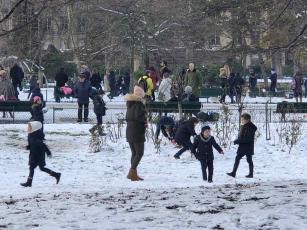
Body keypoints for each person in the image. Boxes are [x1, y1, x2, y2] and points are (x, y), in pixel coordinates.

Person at [20, 121, 61, 187]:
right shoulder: (30, 135)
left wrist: (48, 153)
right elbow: (32, 145)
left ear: (34, 128)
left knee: (38, 168)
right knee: (35, 168)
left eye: (30, 127)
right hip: (33, 154)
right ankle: (56, 175)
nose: (29, 128)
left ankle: (29, 182)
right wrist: (27, 147)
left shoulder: (37, 137)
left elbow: (43, 146)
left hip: (39, 155)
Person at [125, 85, 147, 181]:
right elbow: (139, 117)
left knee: (134, 153)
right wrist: (145, 120)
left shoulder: (130, 105)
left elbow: (128, 118)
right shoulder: (139, 105)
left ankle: (133, 174)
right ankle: (132, 171)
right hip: (137, 132)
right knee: (139, 153)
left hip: (129, 131)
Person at [227, 113, 257, 178]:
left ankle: (249, 174)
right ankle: (234, 173)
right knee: (240, 158)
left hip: (247, 146)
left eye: (243, 119)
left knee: (247, 160)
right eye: (241, 119)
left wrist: (238, 141)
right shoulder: (245, 126)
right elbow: (242, 137)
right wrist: (238, 140)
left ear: (247, 120)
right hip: (244, 146)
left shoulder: (250, 127)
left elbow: (247, 139)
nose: (242, 121)